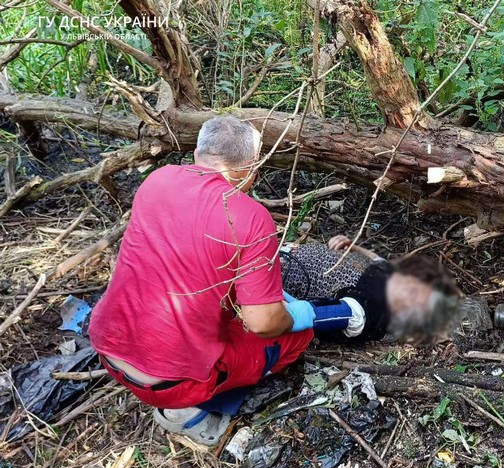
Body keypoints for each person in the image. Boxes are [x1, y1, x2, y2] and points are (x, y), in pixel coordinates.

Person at [89, 116, 330, 445]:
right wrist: (297, 315)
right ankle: (190, 412)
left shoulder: (157, 181)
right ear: (249, 168)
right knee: (296, 337)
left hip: (107, 349)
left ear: (198, 154)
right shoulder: (249, 216)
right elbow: (263, 323)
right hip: (168, 384)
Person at [281, 235, 462, 343]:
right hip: (286, 251)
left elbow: (337, 315)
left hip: (279, 274)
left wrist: (280, 317)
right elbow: (376, 259)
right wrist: (350, 245)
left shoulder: (373, 310)